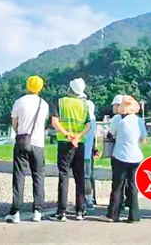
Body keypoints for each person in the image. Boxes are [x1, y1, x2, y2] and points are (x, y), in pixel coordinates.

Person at [5, 75, 50, 224]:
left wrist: (21, 132)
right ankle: (38, 211)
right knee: (38, 177)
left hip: (22, 142)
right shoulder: (44, 104)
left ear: (27, 86)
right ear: (40, 88)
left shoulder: (19, 102)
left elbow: (14, 123)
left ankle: (15, 212)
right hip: (38, 144)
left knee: (19, 176)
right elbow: (43, 123)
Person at [50, 78, 92, 222]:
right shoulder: (84, 105)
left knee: (64, 176)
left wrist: (68, 135)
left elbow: (54, 122)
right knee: (80, 177)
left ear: (70, 88)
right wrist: (78, 136)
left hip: (65, 143)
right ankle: (80, 211)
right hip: (79, 144)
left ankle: (61, 212)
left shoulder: (60, 102)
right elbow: (88, 125)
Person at [105, 95, 147, 223]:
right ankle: (134, 216)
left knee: (118, 186)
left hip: (120, 155)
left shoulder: (119, 120)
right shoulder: (139, 121)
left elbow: (110, 134)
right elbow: (143, 139)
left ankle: (113, 214)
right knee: (133, 186)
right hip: (136, 156)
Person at [79, 91, 98, 209]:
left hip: (82, 150)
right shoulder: (93, 117)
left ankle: (87, 200)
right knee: (90, 175)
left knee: (84, 177)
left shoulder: (84, 115)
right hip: (89, 150)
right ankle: (91, 198)